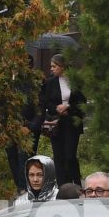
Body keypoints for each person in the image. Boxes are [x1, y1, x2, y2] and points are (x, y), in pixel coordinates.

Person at [37, 54, 83, 184]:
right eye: (51, 66)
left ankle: (76, 183)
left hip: (72, 122)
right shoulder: (50, 82)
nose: (51, 69)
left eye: (54, 66)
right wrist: (56, 108)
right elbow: (44, 100)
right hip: (55, 123)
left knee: (70, 156)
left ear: (62, 67)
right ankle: (62, 186)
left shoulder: (74, 81)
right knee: (58, 156)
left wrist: (67, 106)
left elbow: (82, 101)